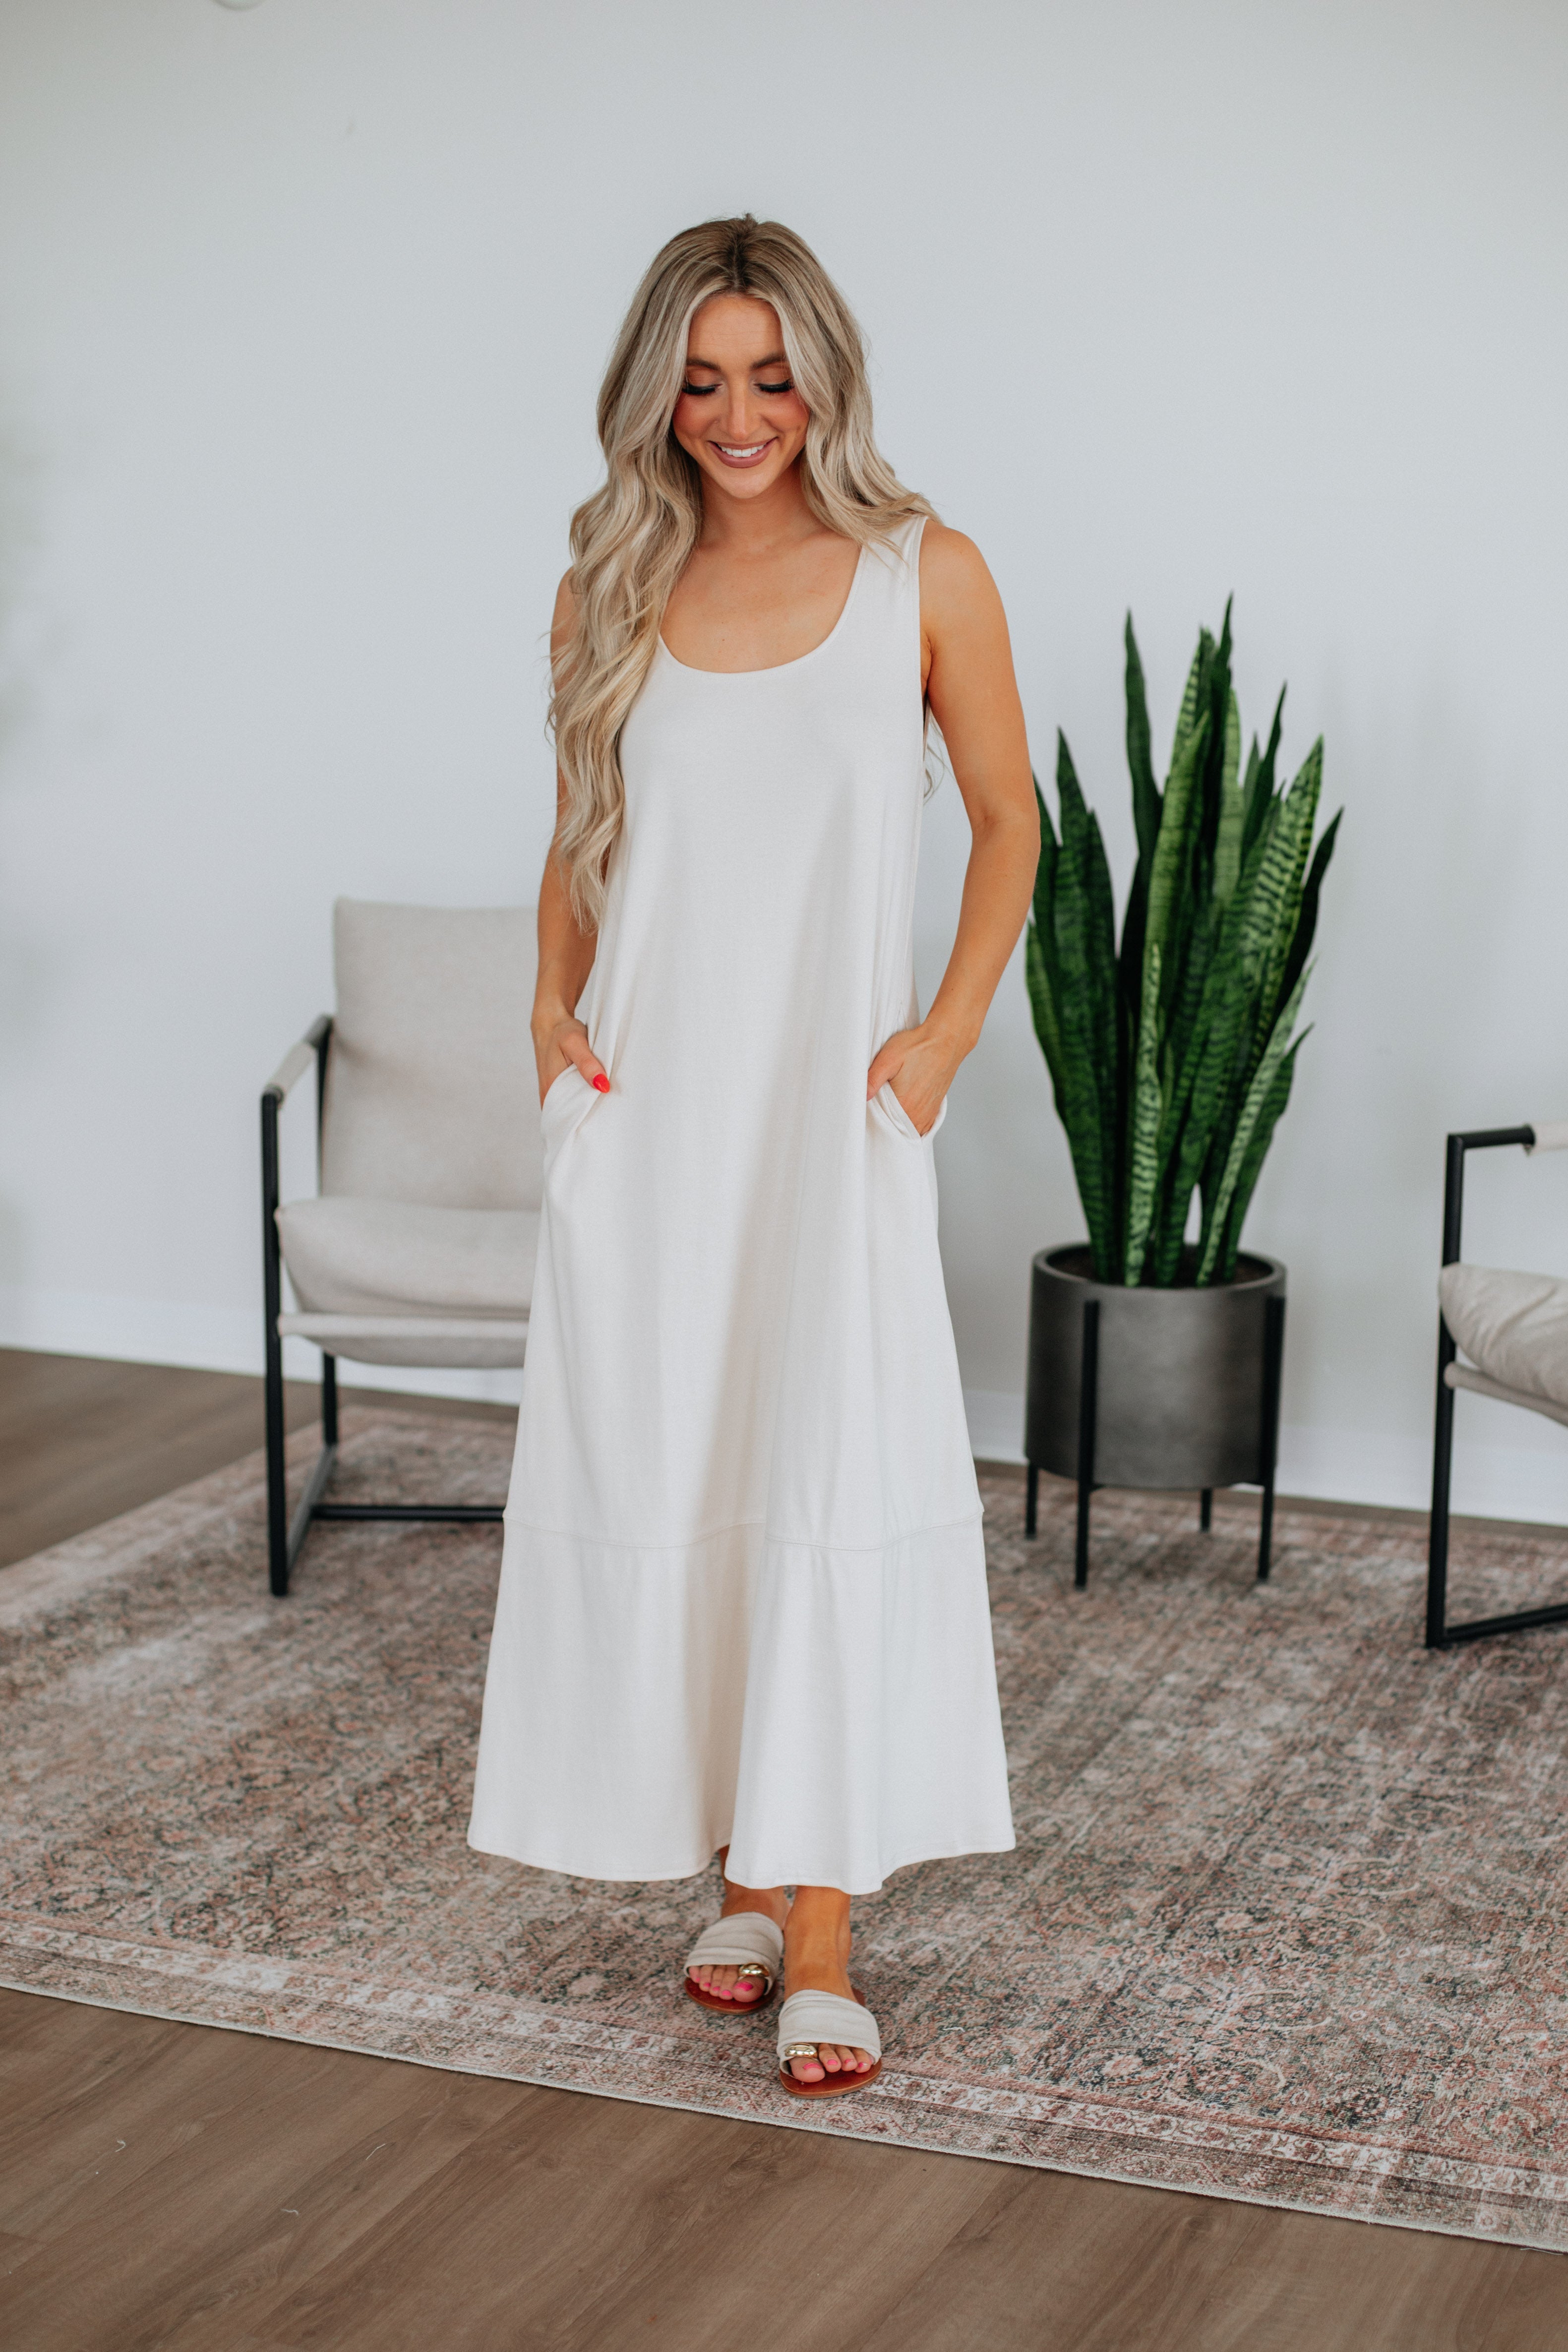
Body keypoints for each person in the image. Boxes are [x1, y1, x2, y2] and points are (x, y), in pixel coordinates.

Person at [469, 214, 1037, 2096]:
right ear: (656, 391)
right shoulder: (608, 585)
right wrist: (546, 1010)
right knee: (685, 1463)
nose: (737, 416)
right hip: (652, 1116)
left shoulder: (923, 573)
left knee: (822, 1466)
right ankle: (737, 1865)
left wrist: (945, 1035)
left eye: (772, 378)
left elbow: (1007, 818)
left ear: (825, 381)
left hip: (831, 1111)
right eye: (703, 381)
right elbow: (582, 829)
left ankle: (823, 1930)